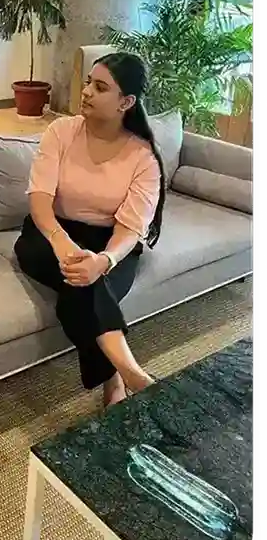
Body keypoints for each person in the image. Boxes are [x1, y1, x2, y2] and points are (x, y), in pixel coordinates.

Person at [14, 52, 166, 408]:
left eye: (100, 87)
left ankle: (119, 380)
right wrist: (61, 242)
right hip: (48, 232)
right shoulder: (60, 131)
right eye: (88, 83)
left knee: (85, 283)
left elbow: (131, 227)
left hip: (110, 241)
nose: (86, 92)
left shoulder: (143, 156)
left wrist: (106, 260)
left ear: (125, 102)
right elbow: (39, 199)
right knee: (81, 278)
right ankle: (128, 375)